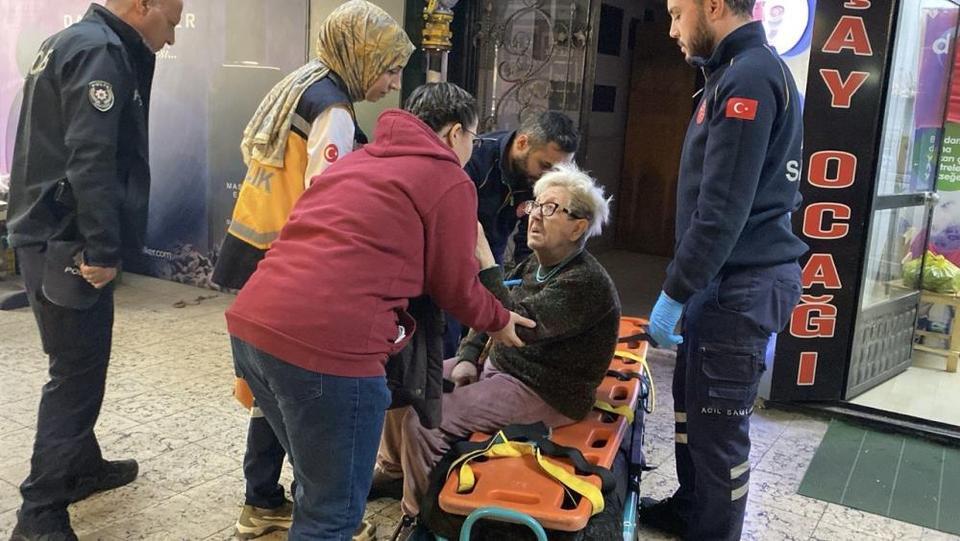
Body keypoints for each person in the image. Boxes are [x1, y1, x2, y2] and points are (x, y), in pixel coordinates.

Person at [226, 82, 534, 540]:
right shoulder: (448, 177)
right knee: (332, 513)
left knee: (319, 482)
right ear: (455, 134)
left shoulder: (358, 160)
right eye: (473, 136)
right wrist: (500, 320)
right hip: (329, 350)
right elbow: (454, 286)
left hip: (254, 327)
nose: (472, 147)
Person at [208, 2, 414, 538]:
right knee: (299, 397)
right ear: (362, 56)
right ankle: (314, 508)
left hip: (256, 250)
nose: (393, 83)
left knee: (269, 392)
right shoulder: (333, 110)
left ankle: (262, 500)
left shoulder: (302, 84)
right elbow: (328, 201)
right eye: (390, 69)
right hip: (291, 259)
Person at [4, 1, 182, 539]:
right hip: (68, 243)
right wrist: (104, 248)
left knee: (76, 361)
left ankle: (81, 465)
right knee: (76, 375)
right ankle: (40, 513)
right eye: (171, 22)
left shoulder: (71, 41)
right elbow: (91, 156)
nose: (171, 38)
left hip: (43, 234)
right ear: (143, 5)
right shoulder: (101, 51)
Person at [374, 163, 620, 540]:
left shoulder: (585, 282)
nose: (535, 214)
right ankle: (395, 473)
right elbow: (491, 311)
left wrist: (486, 260)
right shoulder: (537, 264)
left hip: (545, 389)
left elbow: (513, 325)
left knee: (425, 422)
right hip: (504, 368)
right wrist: (469, 355)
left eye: (550, 208)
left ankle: (422, 520)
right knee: (406, 384)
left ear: (578, 227)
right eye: (535, 204)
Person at [639, 1, 807, 539]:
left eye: (677, 14)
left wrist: (674, 291)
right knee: (692, 415)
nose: (672, 30)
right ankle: (691, 511)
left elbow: (721, 211)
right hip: (721, 282)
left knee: (718, 436)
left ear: (712, 6)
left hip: (741, 286)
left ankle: (713, 532)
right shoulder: (732, 72)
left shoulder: (749, 78)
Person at [442, 111, 579, 358]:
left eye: (557, 170)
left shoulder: (539, 178)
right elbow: (454, 222)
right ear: (522, 143)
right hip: (454, 259)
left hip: (493, 259)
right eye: (545, 165)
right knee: (448, 340)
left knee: (485, 340)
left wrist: (531, 278)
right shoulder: (477, 157)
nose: (549, 177)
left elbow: (530, 238)